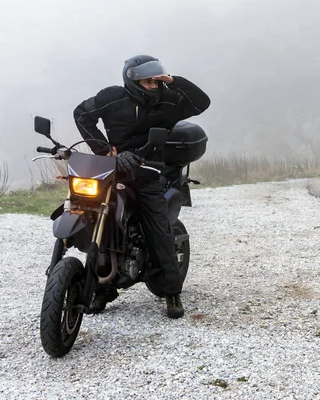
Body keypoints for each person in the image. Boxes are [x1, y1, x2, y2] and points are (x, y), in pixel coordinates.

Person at [73, 55, 211, 319]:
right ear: (132, 80)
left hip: (149, 171)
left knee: (158, 230)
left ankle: (171, 291)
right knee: (101, 220)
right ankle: (104, 286)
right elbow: (82, 114)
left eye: (156, 81)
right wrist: (104, 149)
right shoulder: (112, 97)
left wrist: (173, 81)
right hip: (113, 169)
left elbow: (201, 102)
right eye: (148, 81)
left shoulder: (169, 100)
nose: (153, 86)